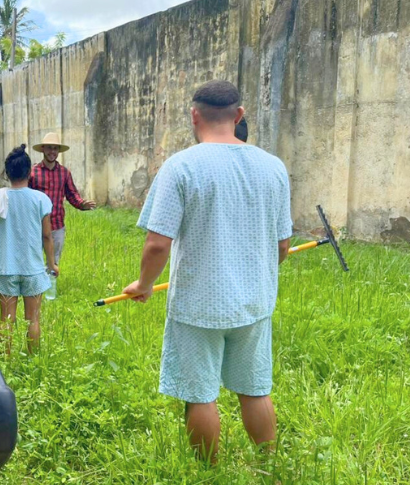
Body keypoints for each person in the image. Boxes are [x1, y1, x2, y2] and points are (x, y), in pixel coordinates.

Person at [123, 80, 292, 462]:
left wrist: (145, 284)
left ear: (194, 115)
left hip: (198, 304)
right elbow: (282, 246)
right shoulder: (273, 168)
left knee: (200, 394)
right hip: (254, 304)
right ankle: (269, 465)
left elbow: (157, 243)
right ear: (239, 114)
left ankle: (208, 471)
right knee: (255, 388)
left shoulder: (181, 167)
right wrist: (256, 275)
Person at [0, 145, 58, 355]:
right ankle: (33, 360)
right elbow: (47, 236)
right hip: (33, 268)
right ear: (30, 172)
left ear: (7, 172)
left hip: (6, 268)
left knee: (6, 320)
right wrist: (52, 264)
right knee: (33, 319)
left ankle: (4, 361)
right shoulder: (40, 199)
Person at [29, 133, 96, 266]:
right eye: (49, 148)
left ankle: (51, 280)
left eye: (55, 148)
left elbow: (72, 194)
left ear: (59, 151)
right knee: (34, 263)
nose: (52, 151)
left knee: (53, 264)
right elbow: (26, 197)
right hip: (36, 225)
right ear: (43, 149)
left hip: (57, 225)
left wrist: (82, 204)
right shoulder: (32, 172)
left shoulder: (64, 173)